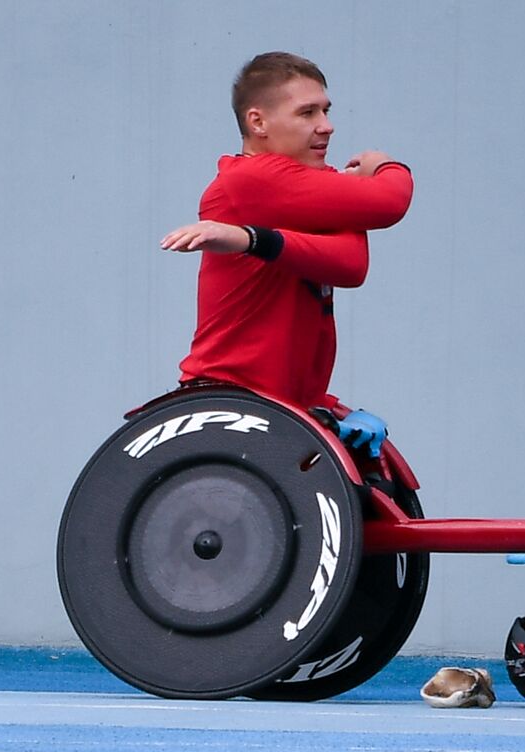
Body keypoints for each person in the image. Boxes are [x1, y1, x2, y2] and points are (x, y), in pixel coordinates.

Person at [160, 51, 412, 457]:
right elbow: (390, 201)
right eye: (307, 113)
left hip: (287, 406)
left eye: (326, 111)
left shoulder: (308, 187)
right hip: (234, 402)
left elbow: (350, 264)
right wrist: (387, 165)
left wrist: (254, 239)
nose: (326, 127)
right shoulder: (252, 180)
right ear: (257, 122)